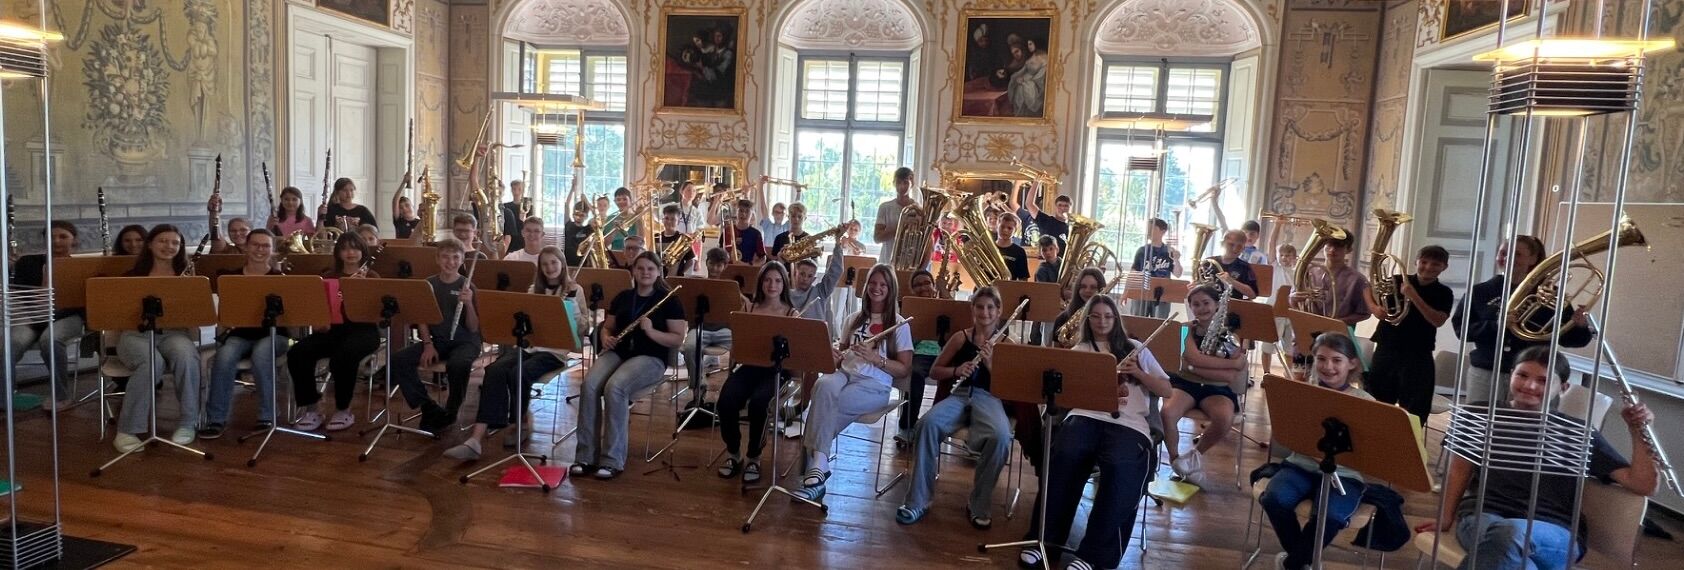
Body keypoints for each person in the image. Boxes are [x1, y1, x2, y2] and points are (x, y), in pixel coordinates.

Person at [1420, 346, 1659, 570]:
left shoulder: (1577, 432)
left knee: (1510, 535)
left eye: (1543, 380)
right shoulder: (1477, 415)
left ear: (1563, 388)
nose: (1530, 385)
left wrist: (1637, 431)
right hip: (1482, 517)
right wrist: (1445, 517)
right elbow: (1459, 470)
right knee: (1510, 546)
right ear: (1511, 375)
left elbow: (1643, 484)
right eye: (1522, 375)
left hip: (1554, 529)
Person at [1016, 294, 1172, 570]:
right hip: (1086, 417)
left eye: (1108, 316)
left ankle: (1093, 556)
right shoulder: (1080, 350)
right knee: (1064, 456)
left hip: (1128, 424)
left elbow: (1166, 390)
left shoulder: (1136, 348)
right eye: (1096, 316)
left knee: (1122, 468)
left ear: (1116, 319)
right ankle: (1043, 541)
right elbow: (1066, 396)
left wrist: (1139, 373)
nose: (1102, 322)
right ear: (1088, 320)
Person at [445, 246, 589, 461]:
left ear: (562, 264)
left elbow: (583, 329)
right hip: (529, 346)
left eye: (554, 263)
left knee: (518, 373)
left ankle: (519, 423)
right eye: (545, 264)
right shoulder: (533, 289)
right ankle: (475, 439)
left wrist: (573, 310)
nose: (550, 267)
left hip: (554, 352)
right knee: (494, 370)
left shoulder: (575, 290)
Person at [898, 286, 1017, 529]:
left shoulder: (1007, 343)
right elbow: (934, 371)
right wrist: (957, 370)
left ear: (999, 311)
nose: (985, 312)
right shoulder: (961, 337)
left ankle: (979, 504)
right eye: (980, 307)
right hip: (960, 395)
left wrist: (990, 364)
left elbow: (1012, 389)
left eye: (990, 308)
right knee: (926, 424)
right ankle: (918, 500)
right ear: (972, 309)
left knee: (1002, 437)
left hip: (990, 398)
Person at [794, 264, 912, 503]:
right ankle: (819, 465)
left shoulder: (900, 324)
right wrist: (834, 354)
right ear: (866, 286)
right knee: (822, 386)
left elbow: (904, 369)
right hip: (845, 374)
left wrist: (877, 359)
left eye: (883, 284)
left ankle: (816, 465)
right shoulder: (853, 319)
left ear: (891, 289)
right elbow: (841, 356)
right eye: (873, 283)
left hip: (874, 384)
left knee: (828, 406)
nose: (876, 288)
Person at [1258, 333, 1373, 570]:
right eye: (1321, 359)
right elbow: (1288, 432)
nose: (1328, 367)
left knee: (1331, 516)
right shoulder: (1303, 393)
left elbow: (1371, 450)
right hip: (1300, 466)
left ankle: (1293, 563)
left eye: (1336, 360)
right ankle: (1303, 562)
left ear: (1352, 363)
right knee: (1274, 499)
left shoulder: (1366, 403)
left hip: (1344, 476)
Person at [573, 251, 686, 480]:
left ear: (658, 272)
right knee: (590, 385)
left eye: (650, 269)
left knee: (615, 387)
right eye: (640, 268)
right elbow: (608, 327)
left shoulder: (669, 300)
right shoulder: (624, 297)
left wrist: (651, 331)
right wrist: (606, 337)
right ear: (633, 271)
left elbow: (677, 338)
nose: (645, 273)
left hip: (651, 358)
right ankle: (585, 456)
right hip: (619, 352)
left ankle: (612, 460)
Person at [1451, 236, 1594, 402]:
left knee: (1526, 419)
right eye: (1502, 253)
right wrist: (1498, 326)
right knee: (1478, 418)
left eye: (1516, 254)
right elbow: (1462, 330)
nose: (1507, 258)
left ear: (1533, 259)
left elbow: (1570, 340)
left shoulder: (1550, 294)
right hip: (1487, 373)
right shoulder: (1480, 291)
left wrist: (1580, 326)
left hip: (1535, 376)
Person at [111, 224, 202, 451]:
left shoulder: (188, 276)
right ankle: (127, 430)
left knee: (187, 356)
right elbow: (118, 314)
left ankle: (188, 422)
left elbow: (197, 314)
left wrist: (192, 292)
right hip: (136, 335)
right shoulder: (131, 277)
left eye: (175, 243)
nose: (168, 246)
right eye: (162, 241)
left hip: (174, 332)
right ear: (150, 244)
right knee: (152, 362)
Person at [286, 232, 382, 432]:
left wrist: (360, 290)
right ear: (338, 253)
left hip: (363, 330)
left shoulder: (372, 276)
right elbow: (318, 307)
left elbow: (376, 314)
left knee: (343, 356)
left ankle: (343, 409)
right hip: (333, 329)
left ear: (363, 251)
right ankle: (312, 408)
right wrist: (318, 322)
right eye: (345, 248)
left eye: (355, 248)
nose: (350, 253)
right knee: (297, 352)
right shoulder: (329, 276)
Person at [714, 263, 800, 483]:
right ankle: (733, 453)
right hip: (749, 367)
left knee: (760, 404)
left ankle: (754, 456)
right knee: (726, 401)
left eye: (778, 281)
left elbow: (796, 355)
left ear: (784, 284)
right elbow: (738, 345)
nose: (772, 285)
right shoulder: (749, 308)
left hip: (777, 371)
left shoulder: (792, 313)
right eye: (768, 280)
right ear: (761, 282)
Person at [202, 229, 289, 439]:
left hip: (274, 335)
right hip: (239, 335)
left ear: (272, 250)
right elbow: (225, 314)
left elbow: (290, 317)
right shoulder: (230, 278)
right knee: (224, 356)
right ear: (246, 248)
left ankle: (267, 415)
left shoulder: (281, 279)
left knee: (261, 353)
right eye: (255, 245)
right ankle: (216, 419)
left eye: (265, 246)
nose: (260, 249)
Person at [390, 238, 483, 433]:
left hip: (466, 342)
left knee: (458, 364)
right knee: (399, 359)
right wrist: (427, 344)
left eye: (455, 257)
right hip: (439, 341)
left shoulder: (468, 286)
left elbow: (473, 328)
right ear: (437, 259)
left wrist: (468, 304)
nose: (450, 262)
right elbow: (422, 318)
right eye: (445, 257)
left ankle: (451, 411)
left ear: (462, 260)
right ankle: (427, 406)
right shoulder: (428, 284)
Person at [1162, 284, 1248, 487]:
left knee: (1224, 418)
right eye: (1196, 304)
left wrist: (1195, 367)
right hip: (1185, 383)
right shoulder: (1184, 329)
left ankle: (1193, 456)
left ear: (1217, 305)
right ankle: (1175, 460)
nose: (1201, 308)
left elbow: (1230, 377)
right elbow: (1191, 359)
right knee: (1167, 413)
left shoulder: (1231, 335)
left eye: (1206, 303)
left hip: (1217, 388)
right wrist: (1229, 364)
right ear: (1190, 307)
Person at [1366, 245, 1454, 423]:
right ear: (1416, 262)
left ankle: (1408, 438)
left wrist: (1413, 296)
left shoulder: (1444, 292)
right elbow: (1367, 288)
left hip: (1418, 352)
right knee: (1378, 400)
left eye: (1435, 264)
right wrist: (1374, 308)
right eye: (1424, 262)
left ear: (1444, 267)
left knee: (1416, 406)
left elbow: (1438, 320)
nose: (1428, 267)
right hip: (1387, 347)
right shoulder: (1397, 280)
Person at [9, 221, 83, 412]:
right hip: (32, 317)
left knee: (50, 340)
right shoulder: (27, 262)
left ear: (74, 240)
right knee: (10, 344)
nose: (56, 241)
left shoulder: (80, 266)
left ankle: (61, 396)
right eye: (50, 237)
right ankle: (4, 396)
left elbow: (81, 302)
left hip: (67, 316)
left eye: (63, 236)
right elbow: (19, 294)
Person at [680, 248, 739, 405]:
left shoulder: (730, 287)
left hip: (724, 330)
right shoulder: (697, 285)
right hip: (699, 328)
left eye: (719, 265)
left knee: (743, 346)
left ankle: (734, 390)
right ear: (706, 263)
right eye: (711, 264)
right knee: (690, 347)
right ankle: (698, 388)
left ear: (725, 267)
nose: (714, 269)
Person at [895, 269, 944, 445]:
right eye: (917, 285)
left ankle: (939, 425)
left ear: (934, 286)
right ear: (912, 290)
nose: (923, 287)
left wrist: (945, 291)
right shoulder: (909, 310)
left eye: (927, 283)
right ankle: (907, 426)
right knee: (915, 373)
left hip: (945, 352)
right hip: (921, 353)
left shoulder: (946, 305)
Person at [1294, 232, 1370, 326]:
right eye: (1329, 245)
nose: (1332, 250)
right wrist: (1292, 298)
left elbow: (1364, 313)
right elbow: (1293, 302)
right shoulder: (1308, 272)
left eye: (1339, 246)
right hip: (1306, 326)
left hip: (1337, 331)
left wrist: (1335, 323)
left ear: (1348, 250)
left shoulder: (1358, 279)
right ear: (1323, 246)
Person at [1131, 218, 1182, 317]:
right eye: (1148, 228)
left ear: (1163, 231)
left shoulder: (1169, 251)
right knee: (1137, 322)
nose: (1149, 231)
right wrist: (1127, 293)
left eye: (1152, 228)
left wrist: (1176, 260)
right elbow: (1133, 272)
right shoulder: (1141, 251)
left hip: (1162, 295)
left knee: (1159, 323)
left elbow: (1178, 274)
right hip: (1142, 293)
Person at [1261, 243, 1299, 376]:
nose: (1284, 258)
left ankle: (1288, 375)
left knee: (1289, 348)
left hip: (1291, 314)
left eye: (1288, 255)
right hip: (1274, 312)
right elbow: (1271, 245)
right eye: (1281, 255)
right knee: (1267, 346)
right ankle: (1266, 373)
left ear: (1294, 257)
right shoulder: (1275, 268)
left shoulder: (1297, 273)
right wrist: (1276, 229)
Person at [874, 167, 917, 264]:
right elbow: (877, 238)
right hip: (887, 261)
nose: (901, 186)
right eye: (898, 182)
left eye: (905, 182)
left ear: (912, 183)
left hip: (909, 263)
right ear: (894, 183)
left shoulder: (917, 209)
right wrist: (901, 227)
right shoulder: (885, 207)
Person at [1200, 229, 1259, 299]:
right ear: (1222, 244)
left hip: (1232, 304)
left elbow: (1253, 295)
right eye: (1231, 245)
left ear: (1243, 249)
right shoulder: (1208, 263)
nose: (1235, 249)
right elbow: (1199, 284)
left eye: (1239, 246)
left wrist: (1231, 281)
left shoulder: (1245, 267)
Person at [654, 205, 696, 276]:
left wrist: (680, 272)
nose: (669, 221)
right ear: (663, 220)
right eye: (666, 218)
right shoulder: (656, 237)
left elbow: (690, 261)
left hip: (675, 278)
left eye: (673, 219)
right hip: (658, 277)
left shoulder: (682, 239)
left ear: (678, 222)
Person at [725, 198, 765, 264]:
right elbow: (720, 253)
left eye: (747, 211)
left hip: (747, 268)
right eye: (741, 211)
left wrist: (750, 265)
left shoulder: (756, 234)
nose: (743, 214)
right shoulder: (727, 231)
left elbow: (763, 258)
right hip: (728, 267)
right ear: (736, 212)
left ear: (751, 214)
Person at [994, 214, 1030, 281]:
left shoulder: (1019, 252)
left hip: (1010, 287)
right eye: (1002, 226)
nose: (1005, 230)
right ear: (997, 227)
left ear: (1015, 231)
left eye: (1009, 228)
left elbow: (1023, 278)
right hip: (987, 287)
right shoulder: (987, 247)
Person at [562, 200, 594, 267]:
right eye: (576, 214)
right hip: (568, 263)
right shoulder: (569, 225)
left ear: (586, 216)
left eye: (582, 215)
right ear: (573, 214)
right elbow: (567, 205)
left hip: (582, 264)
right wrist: (572, 190)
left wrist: (585, 200)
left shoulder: (588, 229)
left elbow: (596, 215)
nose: (578, 217)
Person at [501, 180, 529, 252]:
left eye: (519, 189)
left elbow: (530, 225)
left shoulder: (528, 207)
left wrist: (524, 219)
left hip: (522, 238)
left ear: (523, 190)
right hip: (509, 239)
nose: (516, 192)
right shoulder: (505, 206)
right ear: (511, 190)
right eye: (514, 189)